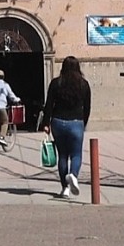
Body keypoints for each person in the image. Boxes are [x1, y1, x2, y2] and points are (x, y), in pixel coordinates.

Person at [42, 56, 91, 198]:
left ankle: (65, 188)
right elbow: (87, 107)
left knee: (62, 156)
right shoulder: (84, 84)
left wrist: (46, 123)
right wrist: (83, 122)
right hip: (76, 122)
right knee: (76, 154)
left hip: (58, 122)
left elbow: (49, 105)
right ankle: (73, 175)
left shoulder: (56, 83)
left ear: (63, 67)